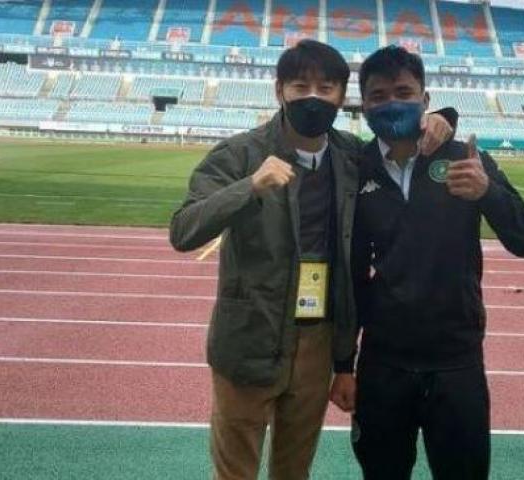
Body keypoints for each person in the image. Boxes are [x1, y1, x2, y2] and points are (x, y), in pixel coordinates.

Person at [169, 40, 456, 480]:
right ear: (279, 90)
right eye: (300, 85)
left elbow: (403, 145)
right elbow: (184, 230)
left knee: (294, 470)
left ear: (343, 97)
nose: (314, 97)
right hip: (250, 336)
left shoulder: (350, 155)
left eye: (327, 87)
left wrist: (441, 119)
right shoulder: (239, 154)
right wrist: (250, 186)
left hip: (317, 341)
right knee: (234, 473)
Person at [331, 46, 524, 479]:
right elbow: (351, 276)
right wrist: (342, 365)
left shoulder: (464, 156)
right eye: (378, 95)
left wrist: (488, 193)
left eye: (404, 92)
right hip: (383, 364)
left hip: (457, 361)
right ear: (364, 105)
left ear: (425, 100)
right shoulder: (358, 167)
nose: (392, 103)